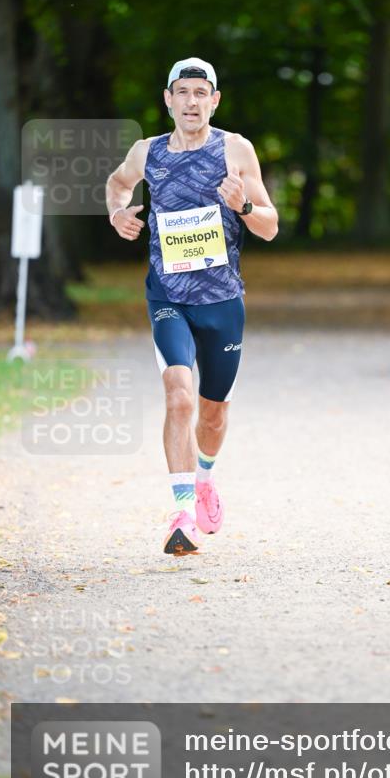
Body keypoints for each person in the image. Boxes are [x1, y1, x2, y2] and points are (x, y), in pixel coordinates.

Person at [105, 57, 278, 553]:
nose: (192, 101)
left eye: (201, 93)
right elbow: (118, 184)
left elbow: (270, 225)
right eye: (183, 92)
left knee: (213, 412)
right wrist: (118, 214)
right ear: (168, 99)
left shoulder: (235, 149)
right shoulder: (148, 152)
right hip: (168, 295)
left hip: (222, 301)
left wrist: (243, 205)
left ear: (214, 101)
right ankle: (180, 513)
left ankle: (204, 477)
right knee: (179, 395)